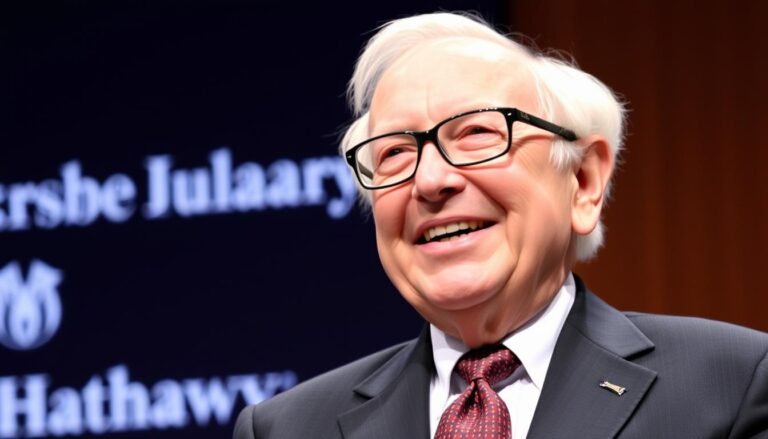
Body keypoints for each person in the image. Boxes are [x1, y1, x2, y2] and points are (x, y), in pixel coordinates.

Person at [234, 11, 768, 439]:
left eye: (475, 134)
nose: (431, 180)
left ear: (582, 181)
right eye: (395, 152)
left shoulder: (734, 384)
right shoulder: (286, 428)